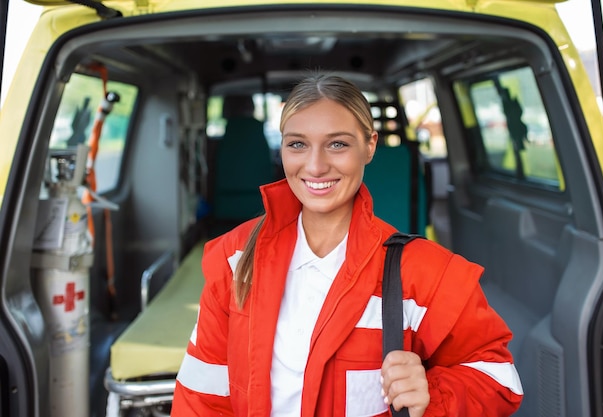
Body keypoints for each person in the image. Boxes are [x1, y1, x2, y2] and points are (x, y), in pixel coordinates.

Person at [171, 74, 523, 416]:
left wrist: (433, 396)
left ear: (369, 146)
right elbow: (203, 397)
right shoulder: (234, 257)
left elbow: (499, 380)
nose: (316, 165)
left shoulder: (426, 272)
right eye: (298, 144)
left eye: (337, 143)